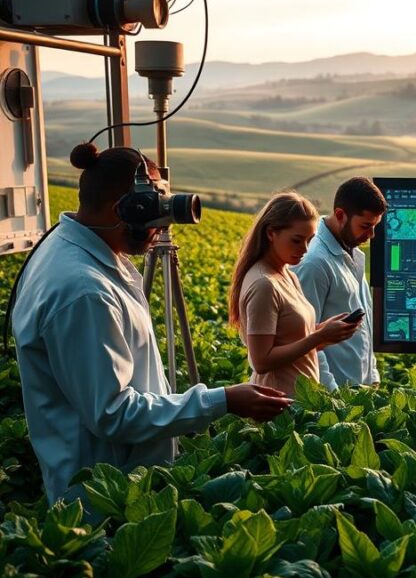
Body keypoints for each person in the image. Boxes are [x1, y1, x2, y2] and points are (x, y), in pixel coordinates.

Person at [11, 144, 293, 506]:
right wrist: (221, 401)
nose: (162, 224)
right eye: (153, 210)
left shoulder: (79, 250)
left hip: (122, 485)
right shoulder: (83, 292)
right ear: (123, 210)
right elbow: (113, 414)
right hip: (105, 501)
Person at [228, 192, 358, 394]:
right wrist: (318, 337)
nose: (305, 249)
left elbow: (288, 339)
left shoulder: (287, 275)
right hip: (277, 404)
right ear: (271, 233)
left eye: (309, 240)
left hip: (296, 403)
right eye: (297, 240)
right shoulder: (264, 284)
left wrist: (324, 333)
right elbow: (261, 360)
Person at [294, 177, 385, 388]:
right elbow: (305, 338)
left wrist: (372, 376)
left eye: (375, 227)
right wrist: (331, 395)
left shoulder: (351, 251)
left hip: (356, 393)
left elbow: (364, 325)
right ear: (341, 215)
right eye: (366, 226)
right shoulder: (314, 263)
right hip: (331, 398)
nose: (371, 235)